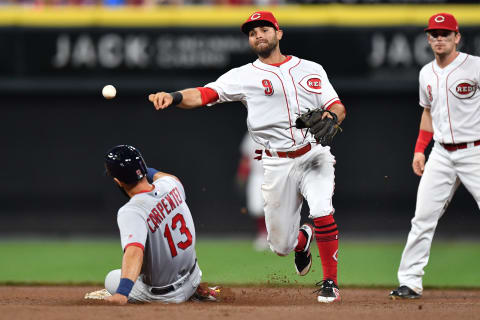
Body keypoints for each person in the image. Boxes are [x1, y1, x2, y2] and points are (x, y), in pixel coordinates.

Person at [148, 11, 346, 303]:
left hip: (313, 155)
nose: (258, 35)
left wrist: (331, 116)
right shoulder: (243, 76)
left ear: (279, 33)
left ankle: (330, 282)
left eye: (264, 29)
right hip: (276, 162)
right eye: (252, 33)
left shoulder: (311, 69)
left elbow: (336, 107)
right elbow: (204, 94)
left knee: (321, 209)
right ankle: (303, 240)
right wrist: (174, 96)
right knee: (280, 245)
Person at [390, 13, 480, 299]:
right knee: (423, 218)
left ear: (457, 37)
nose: (440, 38)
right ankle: (410, 282)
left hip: (474, 151)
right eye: (435, 34)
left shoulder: (475, 67)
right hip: (441, 153)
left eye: (445, 33)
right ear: (428, 39)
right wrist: (419, 149)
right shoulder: (426, 72)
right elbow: (427, 112)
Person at [89, 144, 218, 304]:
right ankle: (196, 291)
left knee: (111, 279)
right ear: (143, 168)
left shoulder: (132, 210)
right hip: (193, 279)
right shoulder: (170, 185)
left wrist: (122, 293)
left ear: (118, 181)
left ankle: (128, 295)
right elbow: (167, 177)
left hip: (164, 296)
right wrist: (140, 168)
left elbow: (134, 252)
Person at [236, 132, 268, 251]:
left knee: (276, 206)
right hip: (257, 175)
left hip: (275, 174)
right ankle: (263, 234)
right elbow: (246, 158)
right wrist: (242, 174)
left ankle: (278, 236)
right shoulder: (251, 135)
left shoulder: (277, 130)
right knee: (256, 207)